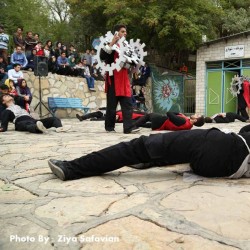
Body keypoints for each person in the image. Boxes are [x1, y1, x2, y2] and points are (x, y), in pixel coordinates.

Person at [48, 124, 250, 181]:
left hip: (223, 146)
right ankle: (149, 161)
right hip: (224, 169)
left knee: (138, 146)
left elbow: (244, 132)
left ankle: (72, 169)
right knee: (178, 153)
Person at [100, 24, 139, 134]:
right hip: (113, 79)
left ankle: (128, 128)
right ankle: (109, 127)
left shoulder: (126, 47)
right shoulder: (111, 46)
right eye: (122, 31)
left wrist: (130, 62)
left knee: (127, 104)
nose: (125, 33)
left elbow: (132, 61)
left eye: (125, 32)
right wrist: (112, 43)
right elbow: (103, 57)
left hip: (124, 79)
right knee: (112, 106)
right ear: (117, 33)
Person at [0, 94, 71, 133]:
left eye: (8, 95)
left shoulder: (19, 105)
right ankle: (37, 128)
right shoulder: (6, 111)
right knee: (29, 125)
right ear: (3, 102)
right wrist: (2, 128)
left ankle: (60, 128)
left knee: (54, 119)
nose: (8, 96)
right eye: (6, 96)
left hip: (32, 120)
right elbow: (4, 122)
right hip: (20, 122)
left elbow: (21, 98)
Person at [131, 112, 204, 131]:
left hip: (161, 121)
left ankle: (132, 126)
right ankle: (134, 124)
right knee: (145, 124)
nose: (195, 114)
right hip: (160, 126)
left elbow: (169, 113)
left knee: (148, 115)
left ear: (195, 120)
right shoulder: (189, 126)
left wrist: (178, 113)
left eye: (197, 115)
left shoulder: (183, 121)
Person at [76, 108, 145, 122]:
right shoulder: (123, 109)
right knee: (97, 113)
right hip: (110, 113)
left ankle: (95, 119)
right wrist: (100, 108)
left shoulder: (136, 114)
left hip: (114, 117)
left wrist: (117, 117)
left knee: (109, 118)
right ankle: (82, 117)